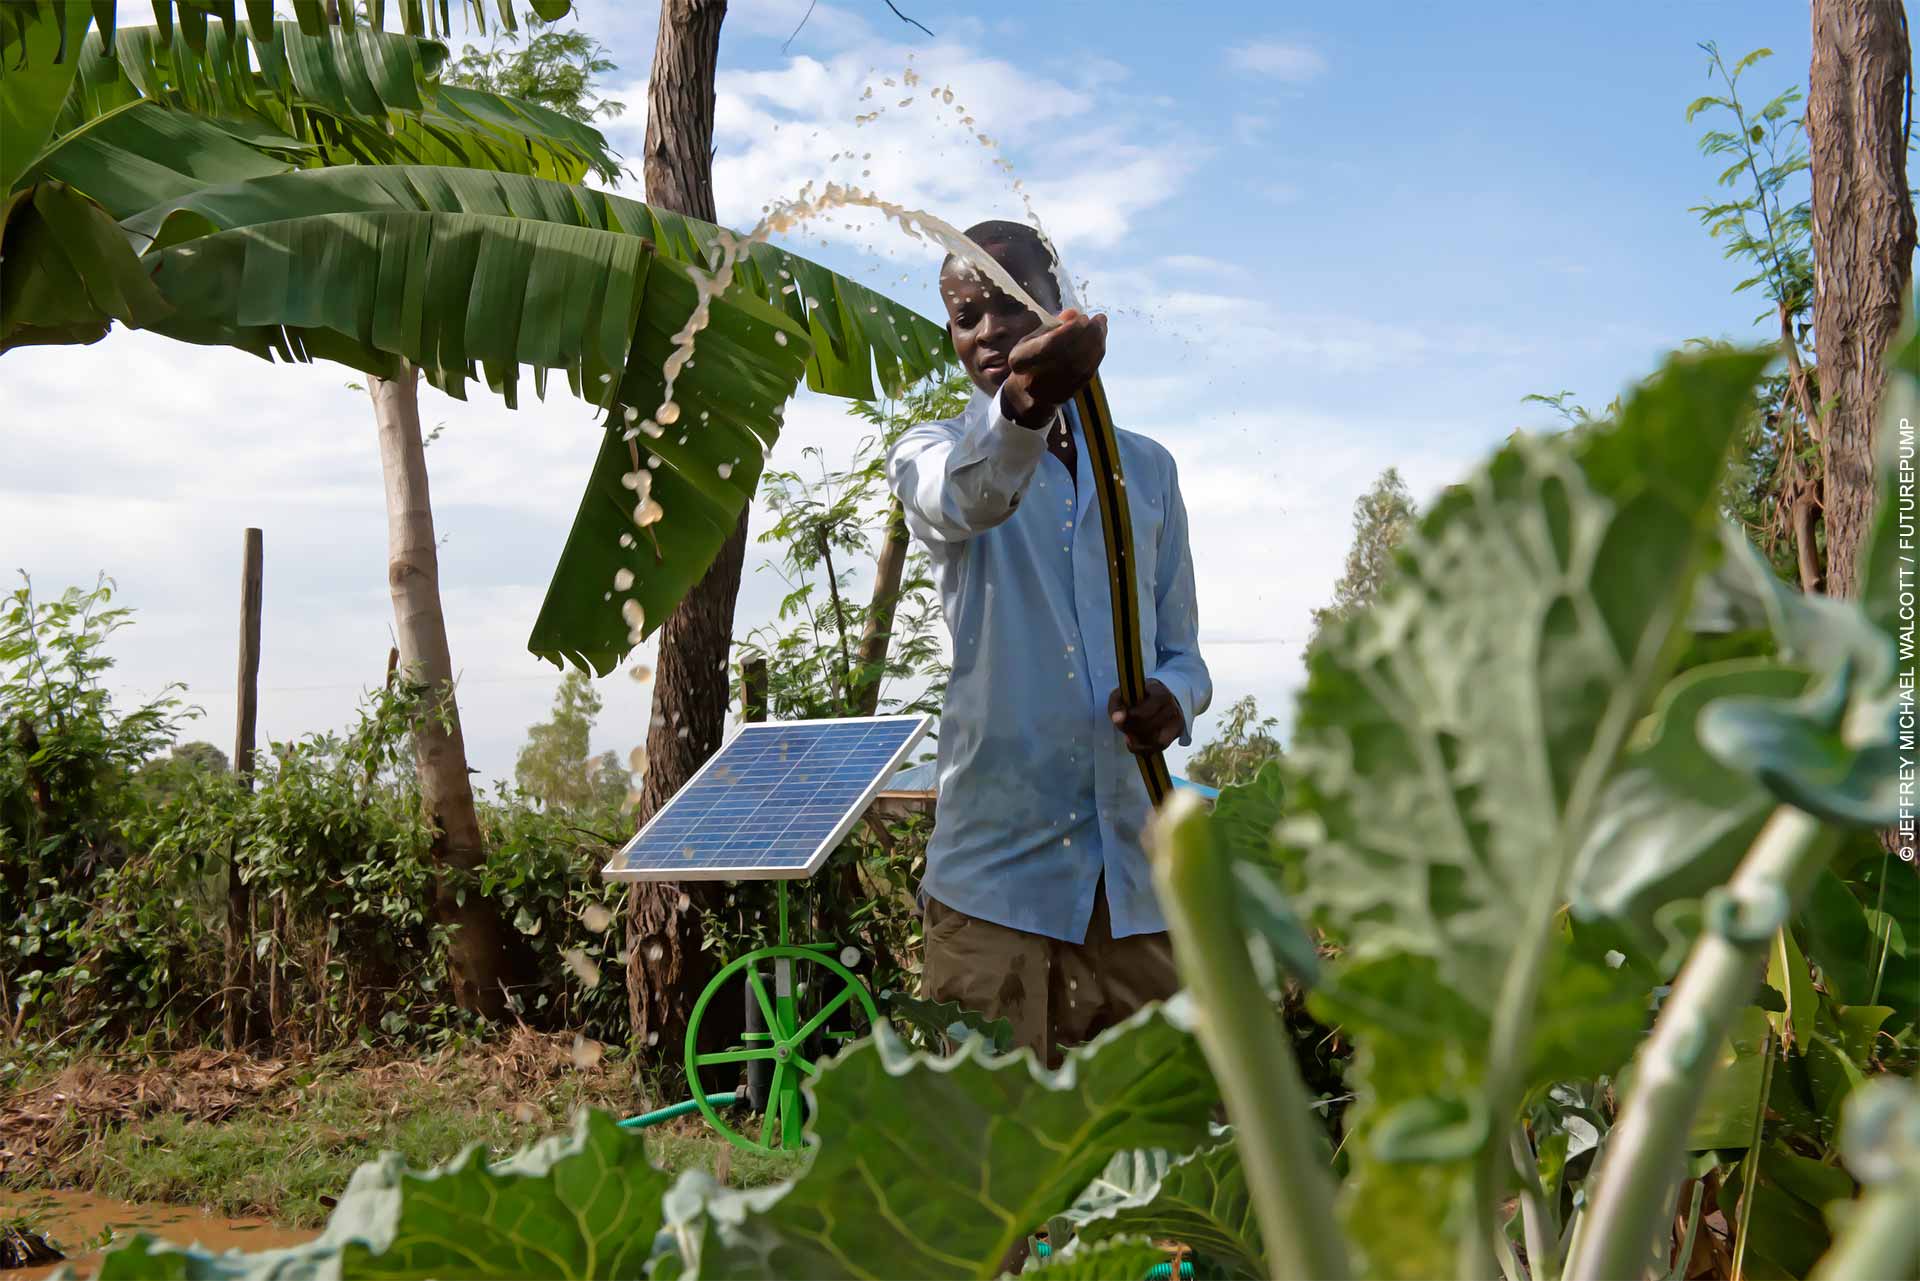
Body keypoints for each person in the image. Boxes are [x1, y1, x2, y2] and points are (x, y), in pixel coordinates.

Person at [886, 220, 1211, 1070]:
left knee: (1157, 1159)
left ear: (1059, 302)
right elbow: (972, 498)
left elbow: (1185, 650)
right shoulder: (934, 455)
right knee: (988, 1166)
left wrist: (1174, 698)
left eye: (1007, 303)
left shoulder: (1147, 470)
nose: (988, 330)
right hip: (996, 890)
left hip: (1139, 892)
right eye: (965, 316)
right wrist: (1026, 405)